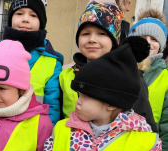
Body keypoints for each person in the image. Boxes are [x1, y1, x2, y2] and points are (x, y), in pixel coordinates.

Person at [23, 37, 166, 151]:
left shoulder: (142, 143)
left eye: (85, 96)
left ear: (111, 103)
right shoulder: (63, 130)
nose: (78, 101)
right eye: (78, 94)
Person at [60, 1, 158, 132]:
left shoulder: (128, 77)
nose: (92, 39)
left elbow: (145, 123)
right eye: (85, 33)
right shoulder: (66, 74)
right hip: (73, 147)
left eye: (101, 34)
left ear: (114, 40)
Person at [128, 8, 168, 151]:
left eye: (154, 38)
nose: (148, 42)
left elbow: (167, 123)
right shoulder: (120, 69)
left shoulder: (165, 76)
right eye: (143, 36)